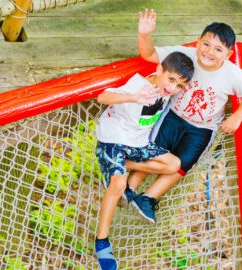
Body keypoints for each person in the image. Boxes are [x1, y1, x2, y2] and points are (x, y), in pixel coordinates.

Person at [127, 9, 242, 224]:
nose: (209, 52)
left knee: (183, 163)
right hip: (174, 115)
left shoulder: (232, 74)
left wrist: (236, 117)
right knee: (154, 149)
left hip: (203, 128)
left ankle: (148, 197)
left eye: (218, 49)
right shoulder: (186, 55)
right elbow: (149, 55)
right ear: (198, 42)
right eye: (206, 44)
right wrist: (144, 34)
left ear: (227, 55)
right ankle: (129, 188)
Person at [94, 51, 194, 270]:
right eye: (171, 79)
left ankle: (120, 165)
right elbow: (103, 97)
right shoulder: (138, 85)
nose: (172, 88)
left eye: (179, 85)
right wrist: (132, 97)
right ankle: (101, 241)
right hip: (113, 140)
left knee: (174, 164)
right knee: (119, 184)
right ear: (159, 70)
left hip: (136, 144)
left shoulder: (166, 90)